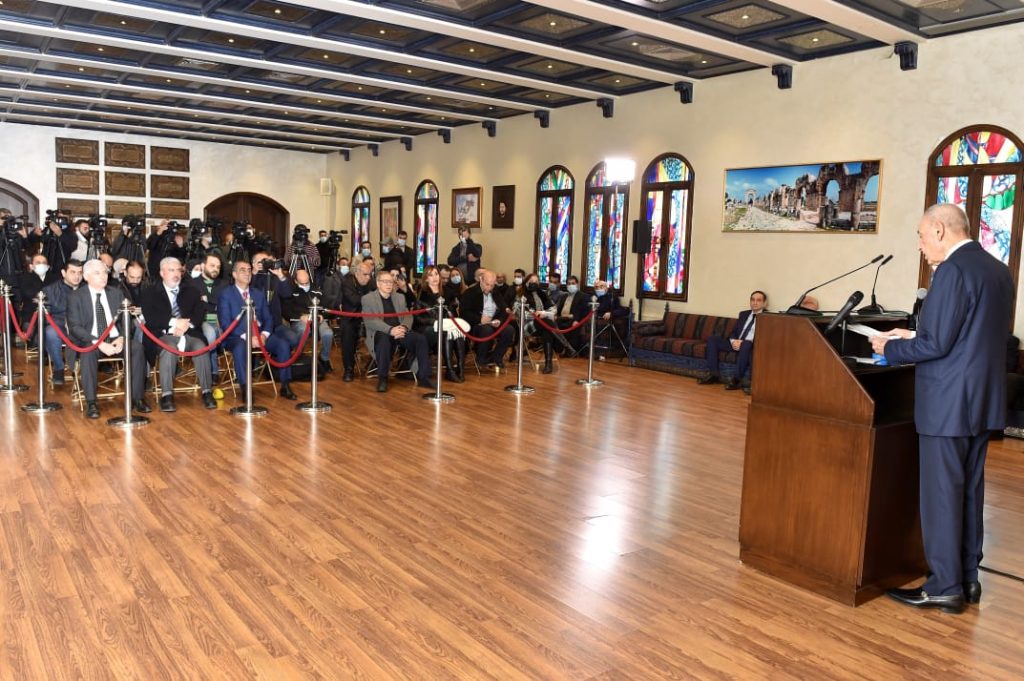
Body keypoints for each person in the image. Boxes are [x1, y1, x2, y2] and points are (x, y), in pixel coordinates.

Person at [871, 204, 1013, 614]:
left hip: (949, 403)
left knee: (942, 495)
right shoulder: (997, 269)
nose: (919, 245)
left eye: (920, 235)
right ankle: (967, 578)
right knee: (968, 491)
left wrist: (890, 347)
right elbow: (968, 332)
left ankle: (944, 586)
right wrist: (914, 333)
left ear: (938, 229)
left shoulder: (950, 271)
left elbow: (937, 345)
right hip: (981, 400)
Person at [66, 259, 150, 419]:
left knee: (137, 348)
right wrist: (98, 343)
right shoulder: (76, 297)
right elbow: (75, 327)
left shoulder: (116, 293)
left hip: (115, 339)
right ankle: (91, 402)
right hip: (89, 340)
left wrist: (122, 337)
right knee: (87, 353)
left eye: (105, 272)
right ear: (86, 276)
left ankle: (137, 398)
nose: (103, 276)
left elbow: (128, 321)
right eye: (97, 273)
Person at [139, 257, 216, 411]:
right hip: (162, 334)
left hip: (189, 333)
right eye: (171, 270)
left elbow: (199, 313)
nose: (176, 274)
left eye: (178, 270)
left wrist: (186, 325)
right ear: (162, 273)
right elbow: (151, 318)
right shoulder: (150, 292)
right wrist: (174, 323)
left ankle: (207, 392)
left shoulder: (191, 290)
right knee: (169, 348)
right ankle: (167, 396)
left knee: (201, 346)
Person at [217, 261, 297, 400]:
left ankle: (285, 385)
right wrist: (248, 337)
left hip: (259, 334)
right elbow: (225, 323)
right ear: (234, 274)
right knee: (240, 347)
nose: (247, 273)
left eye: (249, 270)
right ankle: (245, 388)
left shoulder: (258, 294)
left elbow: (268, 318)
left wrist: (264, 335)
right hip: (236, 336)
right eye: (243, 270)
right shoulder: (226, 294)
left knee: (283, 344)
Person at [361, 270, 434, 392]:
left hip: (400, 331)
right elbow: (371, 321)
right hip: (381, 332)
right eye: (385, 281)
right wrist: (390, 330)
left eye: (391, 282)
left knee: (420, 339)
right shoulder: (368, 299)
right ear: (378, 283)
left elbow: (408, 315)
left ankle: (423, 377)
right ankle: (383, 378)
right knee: (383, 341)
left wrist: (404, 327)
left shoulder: (399, 297)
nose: (389, 284)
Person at [698, 290, 767, 392]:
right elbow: (734, 332)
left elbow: (764, 337)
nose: (755, 302)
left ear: (764, 303)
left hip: (749, 345)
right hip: (736, 343)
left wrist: (744, 342)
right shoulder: (743, 314)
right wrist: (734, 341)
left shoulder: (767, 317)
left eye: (758, 300)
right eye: (752, 300)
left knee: (746, 344)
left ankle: (736, 379)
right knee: (712, 339)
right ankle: (714, 374)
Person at [416, 265, 466, 382]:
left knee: (457, 331)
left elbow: (453, 312)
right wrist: (435, 322)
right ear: (426, 279)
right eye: (431, 275)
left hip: (446, 325)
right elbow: (418, 318)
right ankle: (449, 370)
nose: (435, 277)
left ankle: (460, 368)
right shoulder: (422, 294)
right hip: (428, 328)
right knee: (447, 332)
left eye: (436, 274)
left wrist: (449, 320)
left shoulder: (448, 292)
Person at [282, 268, 333, 375]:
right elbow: (286, 312)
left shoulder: (317, 291)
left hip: (317, 319)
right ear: (296, 281)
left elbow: (329, 308)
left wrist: (322, 315)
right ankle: (298, 354)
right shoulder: (291, 293)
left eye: (307, 282)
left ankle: (324, 358)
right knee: (303, 329)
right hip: (299, 321)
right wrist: (300, 316)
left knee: (328, 334)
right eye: (302, 283)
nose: (305, 285)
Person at [41, 258, 84, 386]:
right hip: (60, 325)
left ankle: (84, 367)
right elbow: (45, 316)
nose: (77, 276)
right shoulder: (50, 290)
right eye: (73, 272)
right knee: (50, 332)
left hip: (82, 326)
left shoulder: (87, 288)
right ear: (64, 273)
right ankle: (59, 369)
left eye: (80, 273)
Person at [460, 269, 514, 370]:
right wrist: (480, 319)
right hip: (476, 324)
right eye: (487, 284)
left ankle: (496, 357)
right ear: (481, 280)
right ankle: (481, 358)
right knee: (486, 330)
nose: (489, 288)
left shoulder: (495, 291)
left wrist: (499, 320)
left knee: (509, 329)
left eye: (492, 285)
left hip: (493, 322)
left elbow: (503, 309)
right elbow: (464, 313)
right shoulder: (470, 293)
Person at [335, 259, 376, 382]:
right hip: (351, 317)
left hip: (369, 317)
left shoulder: (371, 282)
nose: (368, 277)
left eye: (370, 274)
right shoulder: (347, 282)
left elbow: (377, 298)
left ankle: (375, 364)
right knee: (347, 334)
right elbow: (354, 300)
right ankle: (349, 369)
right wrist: (369, 299)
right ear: (357, 273)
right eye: (365, 274)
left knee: (381, 330)